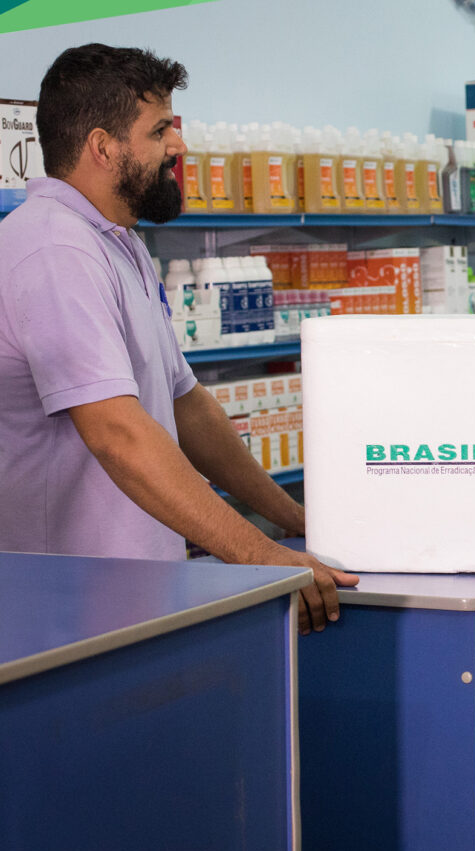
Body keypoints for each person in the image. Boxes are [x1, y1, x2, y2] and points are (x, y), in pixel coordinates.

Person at [0, 43, 357, 634]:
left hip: (136, 593)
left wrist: (293, 520)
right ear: (102, 147)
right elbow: (117, 432)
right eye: (160, 129)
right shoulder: (54, 249)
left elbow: (186, 406)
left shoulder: (119, 242)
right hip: (64, 606)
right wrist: (261, 556)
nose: (179, 145)